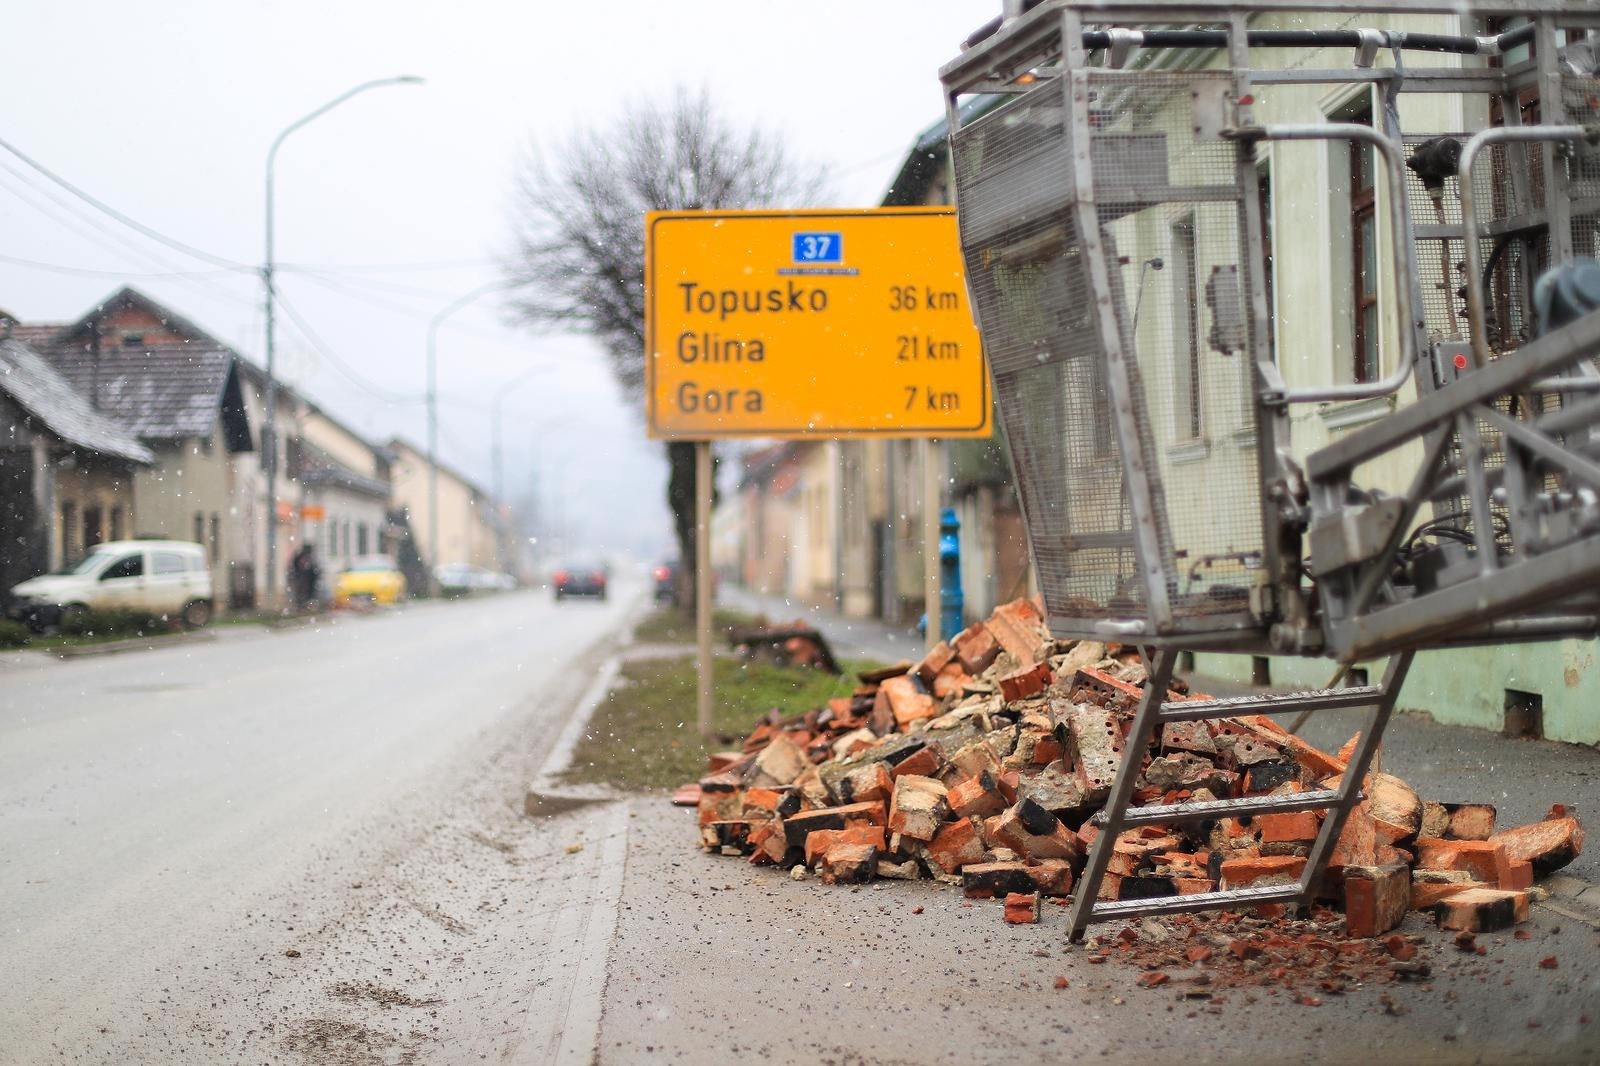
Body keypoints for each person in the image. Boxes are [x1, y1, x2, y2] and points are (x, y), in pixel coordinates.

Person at [289, 544, 321, 612]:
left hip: (305, 580)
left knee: (305, 594)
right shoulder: (304, 557)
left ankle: (303, 606)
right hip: (303, 579)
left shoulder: (306, 558)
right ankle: (301, 607)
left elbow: (313, 570)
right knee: (302, 594)